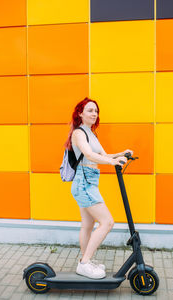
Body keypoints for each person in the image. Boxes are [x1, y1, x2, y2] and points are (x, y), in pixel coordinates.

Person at [64, 97, 133, 279]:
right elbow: (89, 154)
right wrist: (112, 162)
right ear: (80, 113)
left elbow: (103, 155)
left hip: (89, 182)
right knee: (107, 222)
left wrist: (121, 154)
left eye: (96, 111)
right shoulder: (79, 133)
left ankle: (84, 261)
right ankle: (85, 264)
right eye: (90, 110)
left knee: (88, 225)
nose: (94, 114)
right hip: (84, 182)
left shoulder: (92, 133)